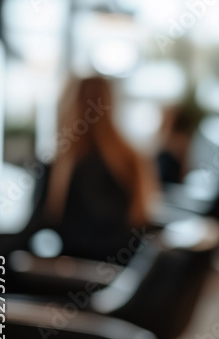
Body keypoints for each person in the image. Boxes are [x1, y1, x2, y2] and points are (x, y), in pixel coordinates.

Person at [35, 75, 159, 262]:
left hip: (74, 272)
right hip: (124, 272)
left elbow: (38, 227)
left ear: (68, 105)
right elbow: (143, 220)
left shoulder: (62, 167)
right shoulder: (133, 159)